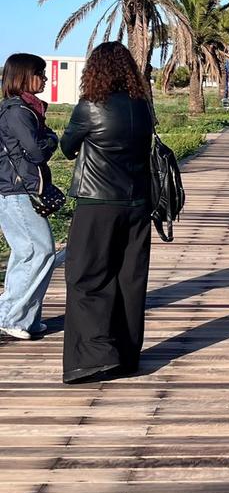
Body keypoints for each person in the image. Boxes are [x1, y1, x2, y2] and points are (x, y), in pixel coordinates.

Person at [59, 42, 154, 384]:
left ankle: (95, 357)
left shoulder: (90, 106)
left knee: (87, 277)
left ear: (95, 70)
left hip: (98, 203)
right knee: (130, 279)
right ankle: (128, 356)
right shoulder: (143, 106)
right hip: (138, 202)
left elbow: (68, 148)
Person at [0, 53, 62, 340]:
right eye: (40, 73)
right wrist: (53, 139)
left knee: (27, 253)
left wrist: (46, 137)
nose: (45, 79)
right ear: (24, 76)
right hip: (17, 192)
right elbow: (37, 150)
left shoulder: (25, 110)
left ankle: (24, 316)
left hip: (16, 191)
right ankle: (12, 316)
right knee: (41, 250)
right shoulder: (18, 112)